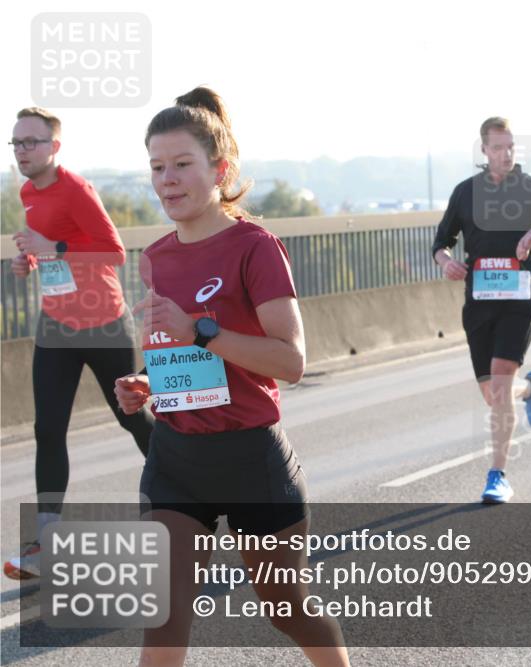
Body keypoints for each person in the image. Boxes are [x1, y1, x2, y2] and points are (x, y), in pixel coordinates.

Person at [114, 87, 349, 666]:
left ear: (219, 169)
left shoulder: (255, 248)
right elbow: (188, 358)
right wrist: (150, 384)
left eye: (182, 165)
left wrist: (202, 329)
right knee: (164, 618)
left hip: (250, 459)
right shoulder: (157, 257)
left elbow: (290, 362)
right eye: (157, 168)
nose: (167, 180)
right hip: (176, 460)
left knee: (285, 607)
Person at [4, 107, 153, 580]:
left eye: (32, 142)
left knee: (133, 418)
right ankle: (43, 545)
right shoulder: (27, 192)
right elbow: (48, 252)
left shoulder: (77, 189)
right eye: (16, 143)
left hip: (105, 323)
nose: (22, 151)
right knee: (48, 431)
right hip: (55, 327)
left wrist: (57, 249)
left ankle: (187, 499)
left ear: (54, 147)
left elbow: (113, 251)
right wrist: (30, 260)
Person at [432, 117, 531, 504]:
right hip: (479, 304)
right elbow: (441, 242)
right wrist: (445, 262)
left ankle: (497, 475)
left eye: (511, 147)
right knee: (494, 394)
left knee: (499, 387)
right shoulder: (465, 193)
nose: (505, 154)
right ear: (484, 150)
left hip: (519, 301)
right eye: (498, 147)